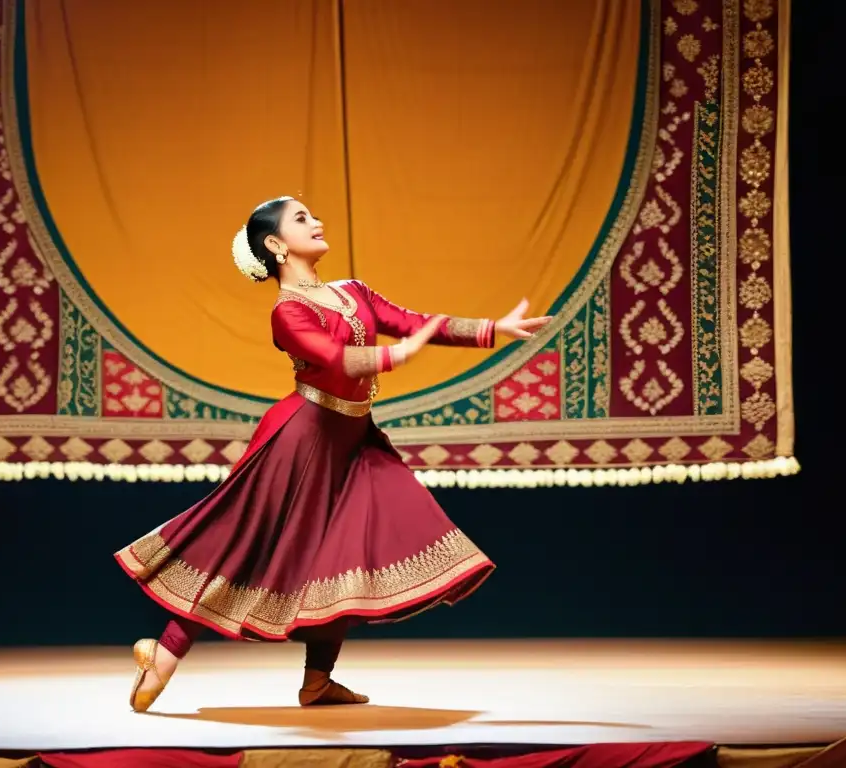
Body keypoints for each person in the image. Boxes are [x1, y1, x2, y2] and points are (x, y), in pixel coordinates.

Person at [115, 196, 552, 712]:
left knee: (349, 555)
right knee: (247, 548)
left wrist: (489, 330)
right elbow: (333, 359)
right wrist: (393, 356)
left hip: (354, 439)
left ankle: (317, 682)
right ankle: (162, 654)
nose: (317, 221)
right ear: (276, 245)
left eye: (313, 214)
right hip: (301, 442)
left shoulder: (352, 291)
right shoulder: (288, 312)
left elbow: (414, 320)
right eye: (301, 219)